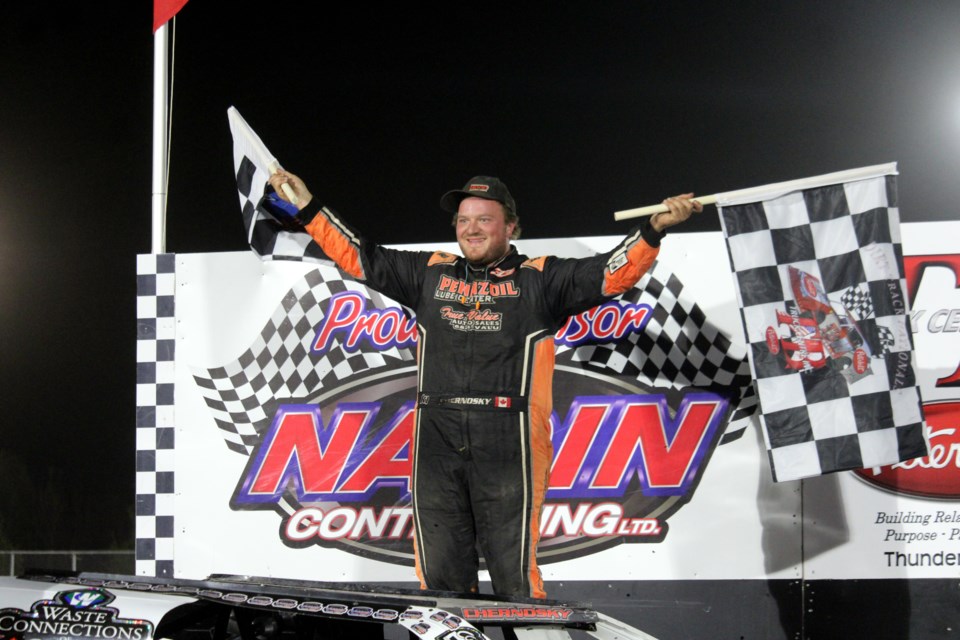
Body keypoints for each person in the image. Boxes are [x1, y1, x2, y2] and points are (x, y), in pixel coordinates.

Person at [265, 171, 701, 598]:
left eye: (484, 219)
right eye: (463, 220)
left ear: (511, 226)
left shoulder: (541, 277)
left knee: (515, 577)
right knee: (440, 579)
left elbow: (610, 275)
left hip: (509, 435)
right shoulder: (430, 272)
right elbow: (358, 256)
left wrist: (653, 229)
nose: (471, 229)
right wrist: (308, 206)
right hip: (436, 433)